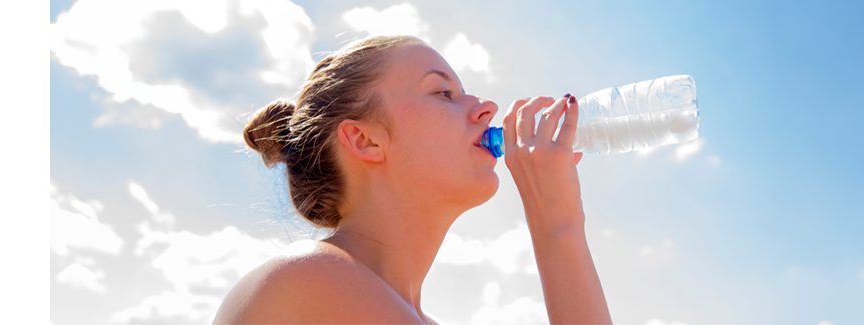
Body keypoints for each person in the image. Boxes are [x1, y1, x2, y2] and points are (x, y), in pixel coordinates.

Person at [214, 35, 611, 324]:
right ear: (365, 140)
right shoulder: (312, 279)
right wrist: (556, 225)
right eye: (443, 93)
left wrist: (560, 226)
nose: (487, 107)